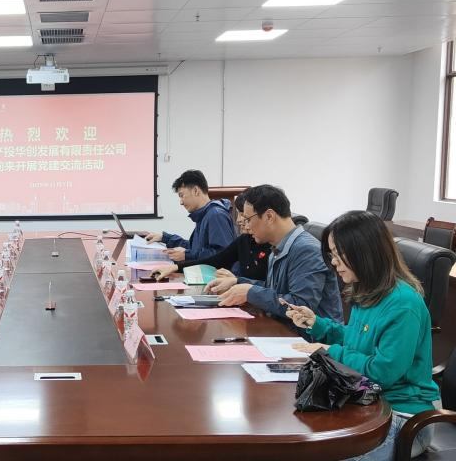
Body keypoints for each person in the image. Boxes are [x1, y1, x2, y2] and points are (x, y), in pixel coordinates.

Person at [287, 210, 438, 460]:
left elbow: (382, 372)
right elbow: (356, 338)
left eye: (339, 254)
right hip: (367, 403)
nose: (334, 262)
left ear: (365, 253)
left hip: (404, 419)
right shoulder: (366, 290)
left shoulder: (403, 303)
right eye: (331, 254)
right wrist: (318, 325)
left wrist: (331, 353)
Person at [213, 184, 343, 326]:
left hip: (309, 337)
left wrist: (250, 293)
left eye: (248, 219)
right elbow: (274, 290)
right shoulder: (278, 246)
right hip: (284, 330)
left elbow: (301, 306)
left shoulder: (307, 250)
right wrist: (238, 282)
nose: (247, 226)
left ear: (269, 216)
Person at [154, 189, 271, 281]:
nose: (239, 220)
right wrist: (175, 267)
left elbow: (270, 290)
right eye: (240, 214)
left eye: (245, 216)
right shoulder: (245, 239)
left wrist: (237, 281)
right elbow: (215, 260)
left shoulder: (216, 215)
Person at [145, 169, 236, 262]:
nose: (181, 202)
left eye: (182, 195)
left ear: (196, 191)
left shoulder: (216, 215)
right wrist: (165, 238)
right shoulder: (205, 215)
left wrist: (186, 255)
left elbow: (223, 255)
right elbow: (193, 248)